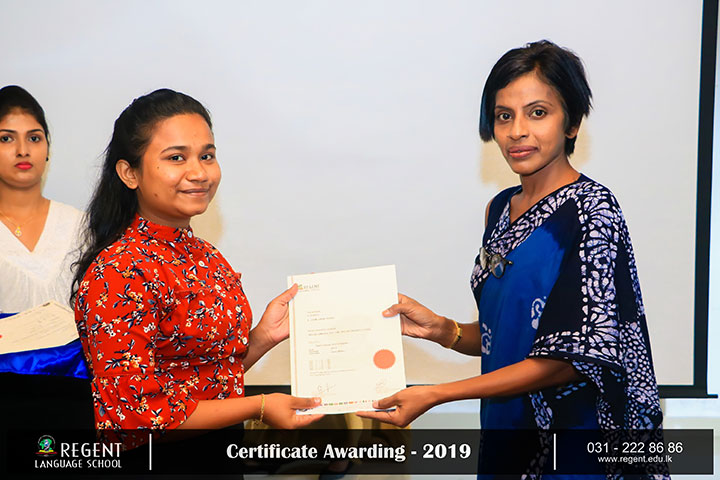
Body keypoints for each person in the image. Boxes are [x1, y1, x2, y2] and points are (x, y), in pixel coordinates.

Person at [358, 41, 664, 477]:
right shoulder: (500, 209)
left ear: (572, 123)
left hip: (574, 447)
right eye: (504, 116)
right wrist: (443, 330)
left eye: (537, 112)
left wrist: (437, 393)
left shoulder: (592, 210)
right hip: (506, 433)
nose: (517, 131)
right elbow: (508, 335)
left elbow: (568, 358)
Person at [72, 89, 322, 431]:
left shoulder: (206, 256)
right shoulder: (119, 271)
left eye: (207, 156)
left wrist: (264, 336)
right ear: (130, 173)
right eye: (177, 158)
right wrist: (258, 406)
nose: (199, 173)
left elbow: (207, 379)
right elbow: (133, 415)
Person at [0, 85, 83, 313]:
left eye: (34, 138)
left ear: (47, 148)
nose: (22, 150)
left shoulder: (81, 227)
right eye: (6, 138)